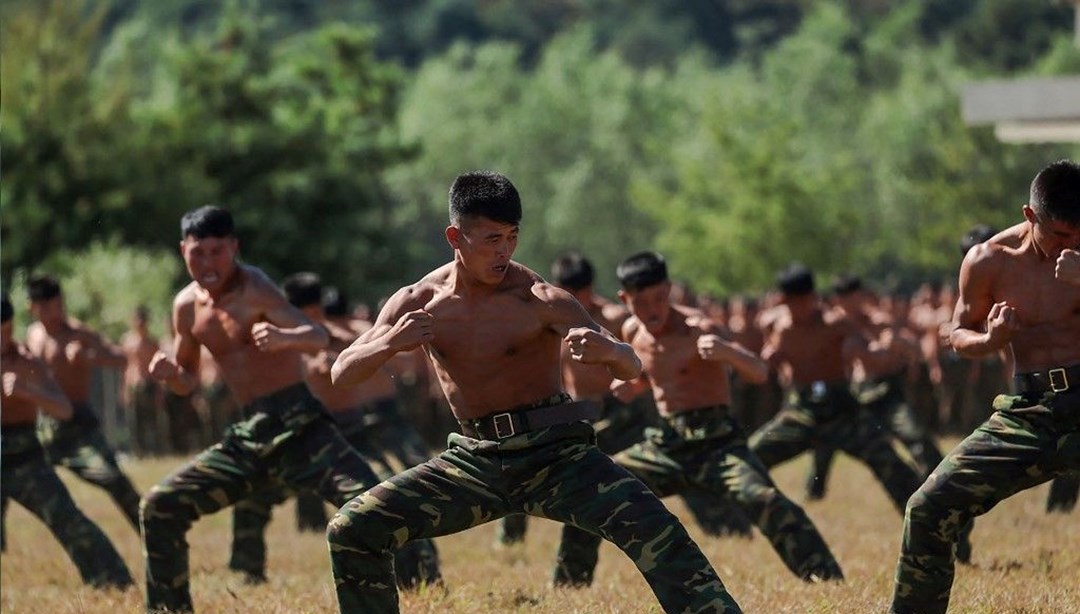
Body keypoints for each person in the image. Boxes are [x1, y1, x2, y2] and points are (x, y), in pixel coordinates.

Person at [326, 170, 739, 614]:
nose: (504, 250)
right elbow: (341, 373)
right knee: (353, 528)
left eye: (512, 236)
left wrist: (611, 349)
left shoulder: (539, 298)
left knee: (659, 531)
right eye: (491, 239)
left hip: (557, 457)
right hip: (475, 461)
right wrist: (389, 343)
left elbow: (632, 364)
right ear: (454, 236)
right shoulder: (417, 301)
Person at [139, 205, 393, 613]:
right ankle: (169, 608)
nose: (207, 262)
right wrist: (171, 376)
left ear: (234, 248)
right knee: (160, 506)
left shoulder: (255, 288)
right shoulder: (185, 307)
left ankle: (420, 579)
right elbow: (187, 381)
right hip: (251, 432)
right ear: (182, 249)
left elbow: (316, 335)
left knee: (373, 505)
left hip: (301, 426)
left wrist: (282, 337)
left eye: (217, 251)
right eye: (197, 252)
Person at [553, 251, 843, 587]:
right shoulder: (633, 330)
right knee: (592, 491)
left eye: (660, 299)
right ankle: (569, 584)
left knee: (763, 498)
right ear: (624, 299)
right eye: (641, 302)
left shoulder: (699, 328)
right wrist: (633, 386)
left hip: (718, 445)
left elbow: (760, 372)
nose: (652, 310)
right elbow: (654, 375)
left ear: (671, 290)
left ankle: (826, 577)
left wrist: (727, 351)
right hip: (668, 445)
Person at [891, 159, 1080, 614]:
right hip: (1029, 410)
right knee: (928, 508)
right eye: (1059, 235)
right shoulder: (988, 262)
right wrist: (991, 340)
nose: (1070, 246)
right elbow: (956, 334)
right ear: (1029, 215)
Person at [228, 272, 440, 586]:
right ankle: (250, 572)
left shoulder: (344, 338)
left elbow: (363, 357)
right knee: (252, 496)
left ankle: (422, 576)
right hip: (301, 439)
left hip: (350, 439)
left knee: (388, 498)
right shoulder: (283, 340)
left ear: (308, 310)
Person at [747, 264, 923, 515]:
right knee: (748, 462)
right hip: (801, 410)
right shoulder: (781, 327)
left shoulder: (835, 323)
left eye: (799, 302)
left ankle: (937, 529)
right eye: (788, 303)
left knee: (894, 466)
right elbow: (764, 367)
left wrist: (889, 347)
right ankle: (744, 523)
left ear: (811, 298)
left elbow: (870, 356)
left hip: (842, 410)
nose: (795, 310)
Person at [0, 294, 134, 589]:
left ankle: (113, 581)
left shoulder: (26, 362)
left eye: (5, 332)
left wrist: (26, 391)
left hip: (24, 458)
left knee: (67, 518)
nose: (2, 340)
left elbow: (63, 408)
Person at [25, 275, 143, 532]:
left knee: (114, 480)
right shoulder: (32, 335)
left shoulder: (78, 334)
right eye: (44, 308)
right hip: (44, 425)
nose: (52, 313)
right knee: (15, 475)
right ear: (32, 307)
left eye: (56, 305)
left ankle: (154, 533)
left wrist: (91, 357)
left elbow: (121, 359)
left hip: (79, 425)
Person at [122, 305, 165, 457]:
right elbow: (126, 367)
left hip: (149, 384)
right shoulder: (127, 342)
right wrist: (125, 390)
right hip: (134, 385)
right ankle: (138, 452)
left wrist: (159, 391)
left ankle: (153, 451)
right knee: (135, 421)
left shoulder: (152, 343)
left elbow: (158, 368)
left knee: (151, 420)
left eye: (142, 320)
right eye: (137, 319)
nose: (139, 323)